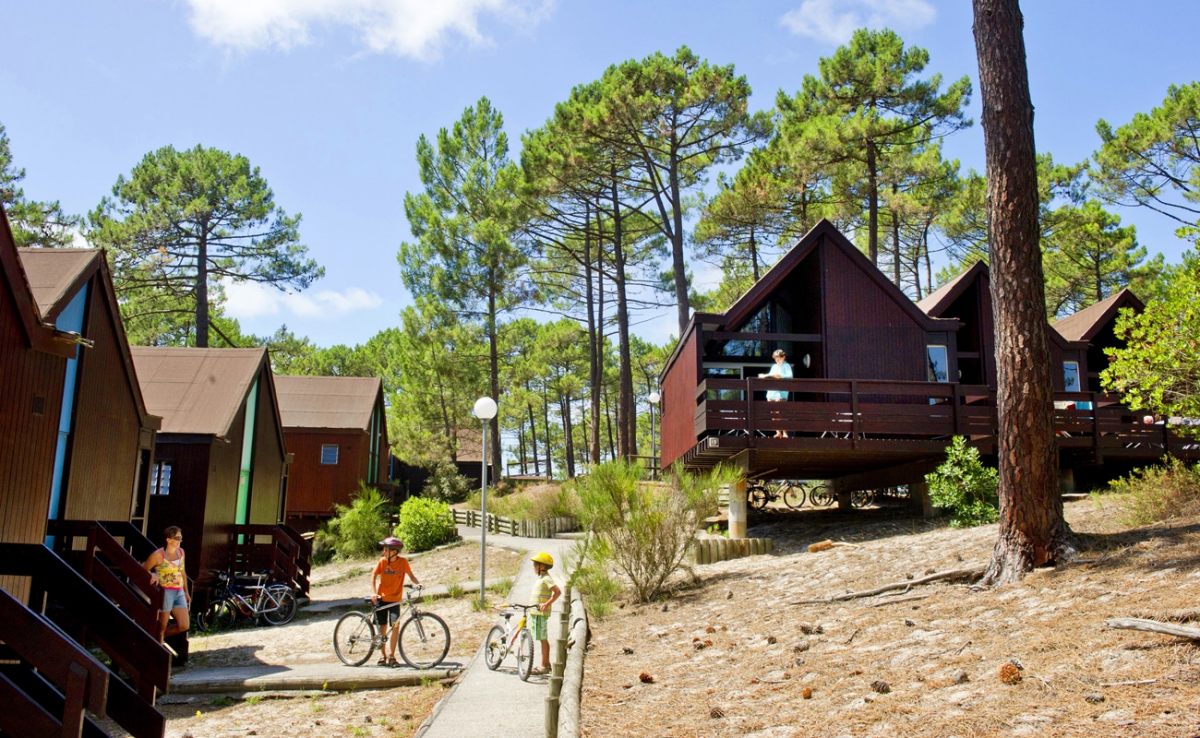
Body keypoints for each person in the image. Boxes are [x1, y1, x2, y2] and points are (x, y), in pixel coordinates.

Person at [372, 536, 420, 667]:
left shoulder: (403, 562)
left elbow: (411, 576)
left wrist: (419, 584)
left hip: (395, 600)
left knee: (396, 626)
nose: (383, 552)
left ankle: (392, 655)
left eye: (386, 550)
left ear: (394, 551)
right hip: (382, 599)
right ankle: (383, 656)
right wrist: (374, 592)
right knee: (382, 628)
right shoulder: (382, 562)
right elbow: (373, 575)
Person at [143, 525, 191, 650]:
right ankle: (156, 649)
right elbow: (144, 569)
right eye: (177, 538)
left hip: (179, 591)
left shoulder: (181, 552)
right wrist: (153, 573)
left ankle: (157, 639)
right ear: (168, 539)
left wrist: (186, 592)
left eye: (181, 538)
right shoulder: (158, 555)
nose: (180, 540)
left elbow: (183, 573)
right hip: (166, 592)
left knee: (184, 625)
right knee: (162, 625)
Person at [528, 551, 562, 676]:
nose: (533, 568)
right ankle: (545, 664)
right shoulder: (542, 578)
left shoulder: (546, 578)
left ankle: (544, 665)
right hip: (536, 613)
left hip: (540, 613)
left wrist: (546, 604)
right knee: (541, 637)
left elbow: (557, 592)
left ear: (542, 567)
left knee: (543, 638)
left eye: (535, 565)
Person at [758, 349, 793, 438]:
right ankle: (778, 432)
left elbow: (789, 376)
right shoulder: (774, 366)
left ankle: (785, 433)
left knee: (780, 413)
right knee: (773, 414)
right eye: (775, 358)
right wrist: (765, 376)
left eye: (778, 358)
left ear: (783, 357)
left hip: (781, 393)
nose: (777, 360)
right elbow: (771, 375)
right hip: (771, 393)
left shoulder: (786, 366)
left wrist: (779, 376)